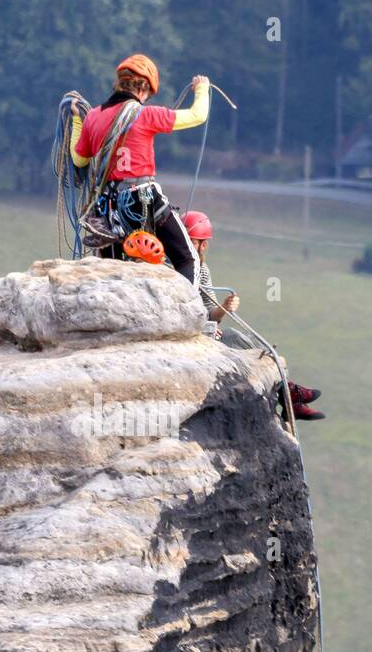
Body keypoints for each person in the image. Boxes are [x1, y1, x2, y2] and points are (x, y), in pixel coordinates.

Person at [70, 55, 209, 284]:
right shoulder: (146, 114)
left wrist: (78, 120)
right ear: (145, 90)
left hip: (108, 211)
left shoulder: (93, 117)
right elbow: (198, 115)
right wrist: (201, 87)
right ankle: (187, 314)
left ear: (119, 83)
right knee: (186, 260)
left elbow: (79, 159)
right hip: (143, 200)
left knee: (111, 273)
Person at [184, 210, 326, 422]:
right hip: (192, 335)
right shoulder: (173, 268)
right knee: (236, 338)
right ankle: (289, 395)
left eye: (196, 242)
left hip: (205, 331)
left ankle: (288, 396)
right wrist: (207, 327)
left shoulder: (201, 270)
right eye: (190, 241)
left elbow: (209, 312)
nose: (193, 247)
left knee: (246, 341)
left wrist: (223, 307)